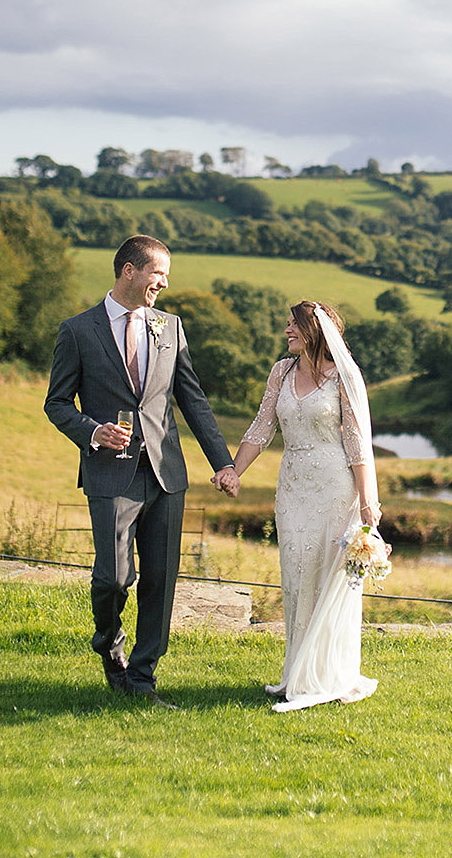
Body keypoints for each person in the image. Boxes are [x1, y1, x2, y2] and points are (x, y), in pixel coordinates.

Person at [45, 234, 240, 704]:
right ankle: (110, 645)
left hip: (167, 473)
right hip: (110, 472)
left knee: (161, 580)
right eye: (158, 273)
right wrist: (93, 431)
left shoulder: (170, 326)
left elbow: (191, 398)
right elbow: (56, 403)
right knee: (113, 577)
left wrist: (224, 463)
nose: (165, 283)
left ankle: (142, 678)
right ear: (129, 271)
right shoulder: (77, 330)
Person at [223, 300, 386, 712]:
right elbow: (262, 426)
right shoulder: (281, 371)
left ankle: (327, 675)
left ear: (313, 330)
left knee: (326, 576)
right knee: (296, 574)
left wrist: (368, 502)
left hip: (334, 487)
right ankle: (296, 672)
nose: (286, 331)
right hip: (292, 487)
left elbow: (357, 443)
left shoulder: (344, 378)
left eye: (292, 324)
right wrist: (234, 470)